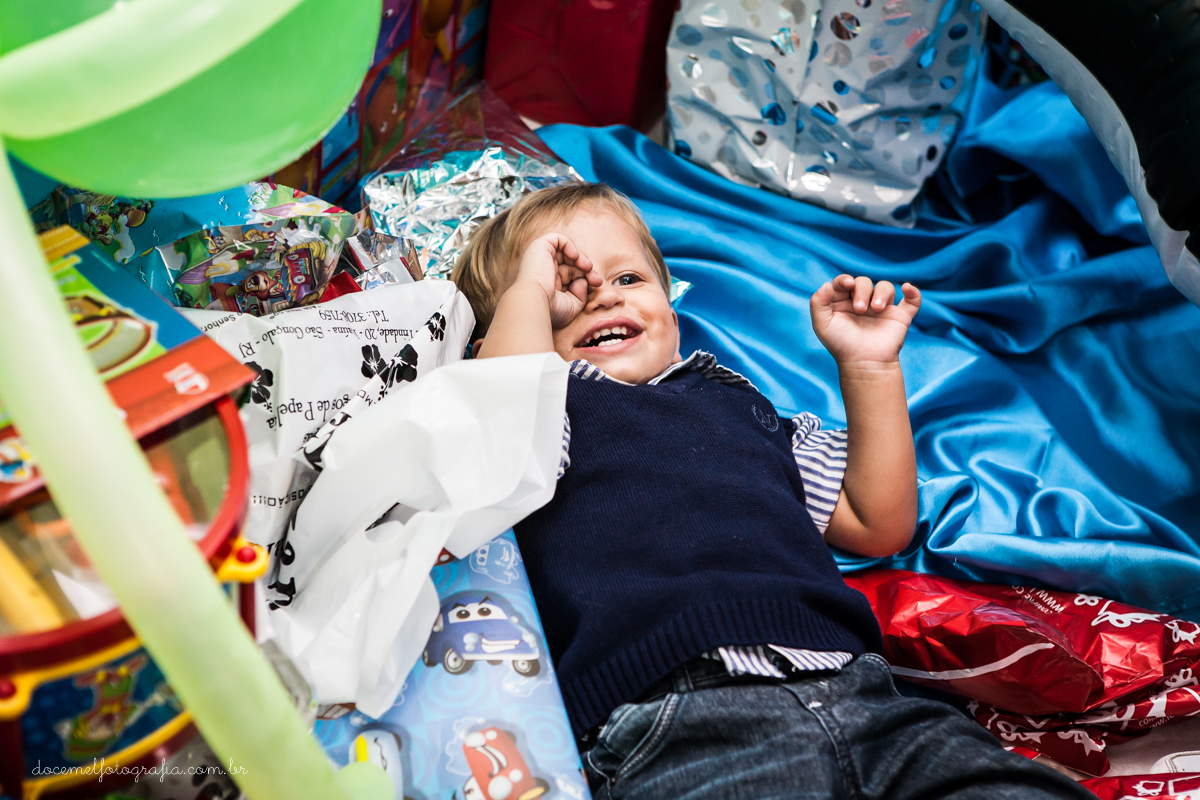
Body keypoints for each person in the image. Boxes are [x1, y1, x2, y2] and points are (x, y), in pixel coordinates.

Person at [452, 182, 1093, 799]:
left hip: (865, 695)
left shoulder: (740, 404)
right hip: (679, 717)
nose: (602, 299)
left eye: (629, 279)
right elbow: (503, 408)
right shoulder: (547, 415)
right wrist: (529, 289)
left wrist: (869, 367)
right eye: (564, 291)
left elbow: (877, 521)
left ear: (671, 307)